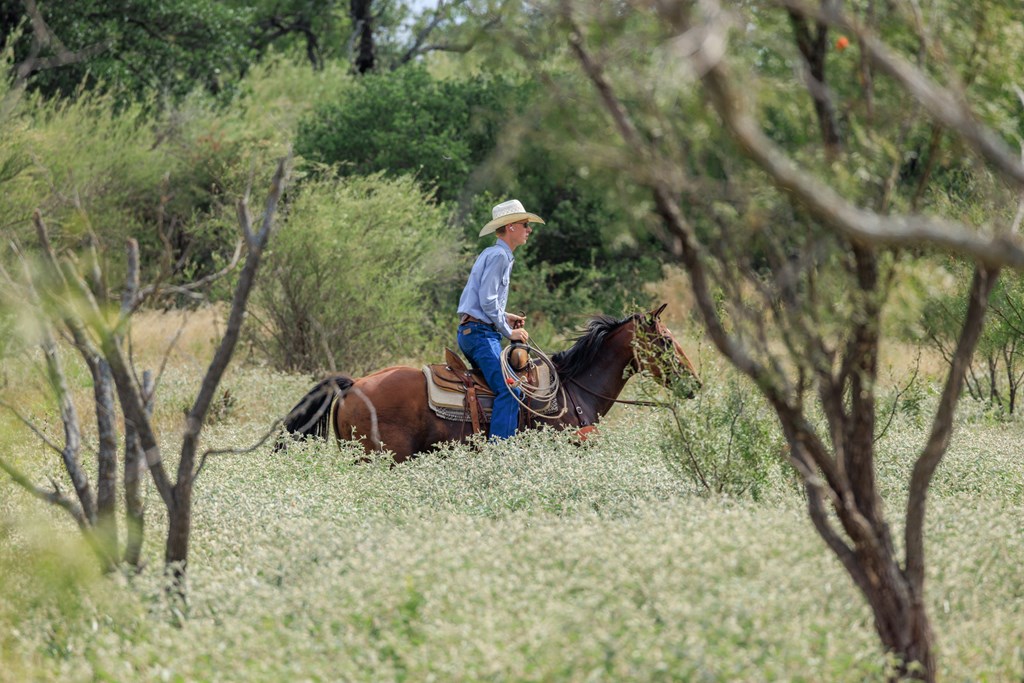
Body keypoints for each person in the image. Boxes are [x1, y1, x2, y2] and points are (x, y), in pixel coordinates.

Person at [456, 199, 545, 439]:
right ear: (511, 227)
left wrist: (506, 316)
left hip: (473, 331)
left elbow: (483, 301)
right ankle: (500, 456)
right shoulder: (500, 257)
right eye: (525, 224)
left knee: (501, 387)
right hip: (480, 334)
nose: (529, 230)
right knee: (512, 391)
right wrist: (509, 331)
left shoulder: (493, 253)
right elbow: (487, 300)